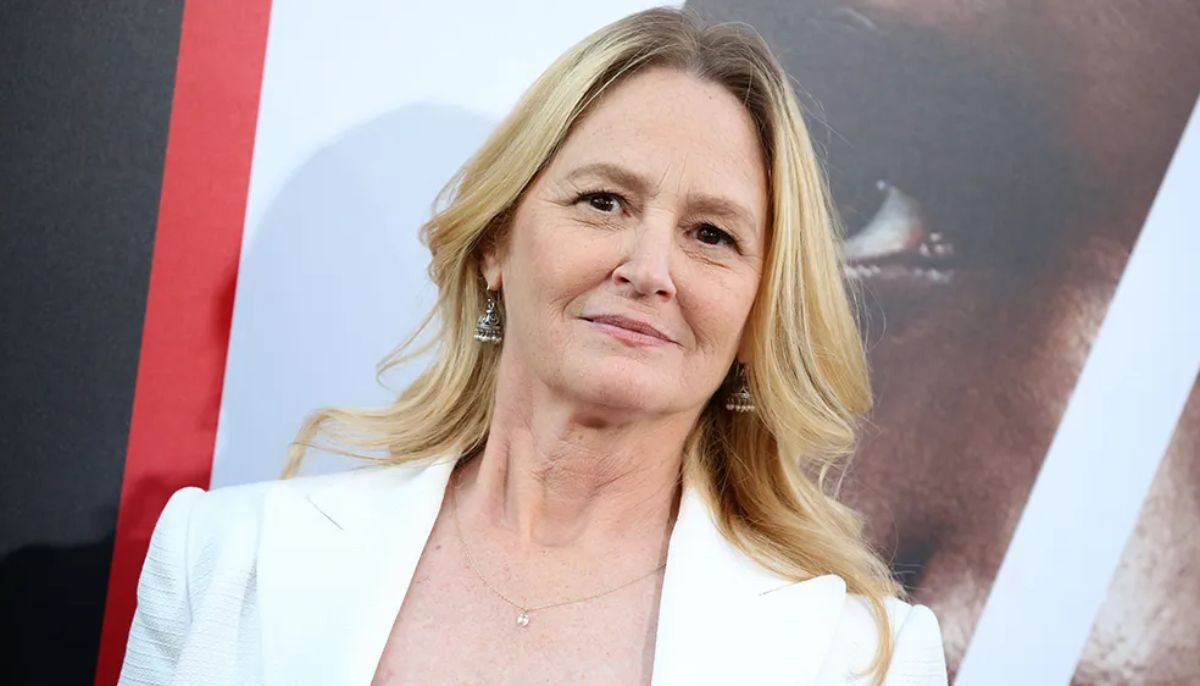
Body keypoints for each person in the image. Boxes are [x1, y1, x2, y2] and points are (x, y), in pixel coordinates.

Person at [119, 7, 947, 685]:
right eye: (604, 202)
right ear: (495, 244)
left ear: (758, 311)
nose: (649, 270)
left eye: (711, 234)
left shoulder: (856, 660)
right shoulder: (227, 561)